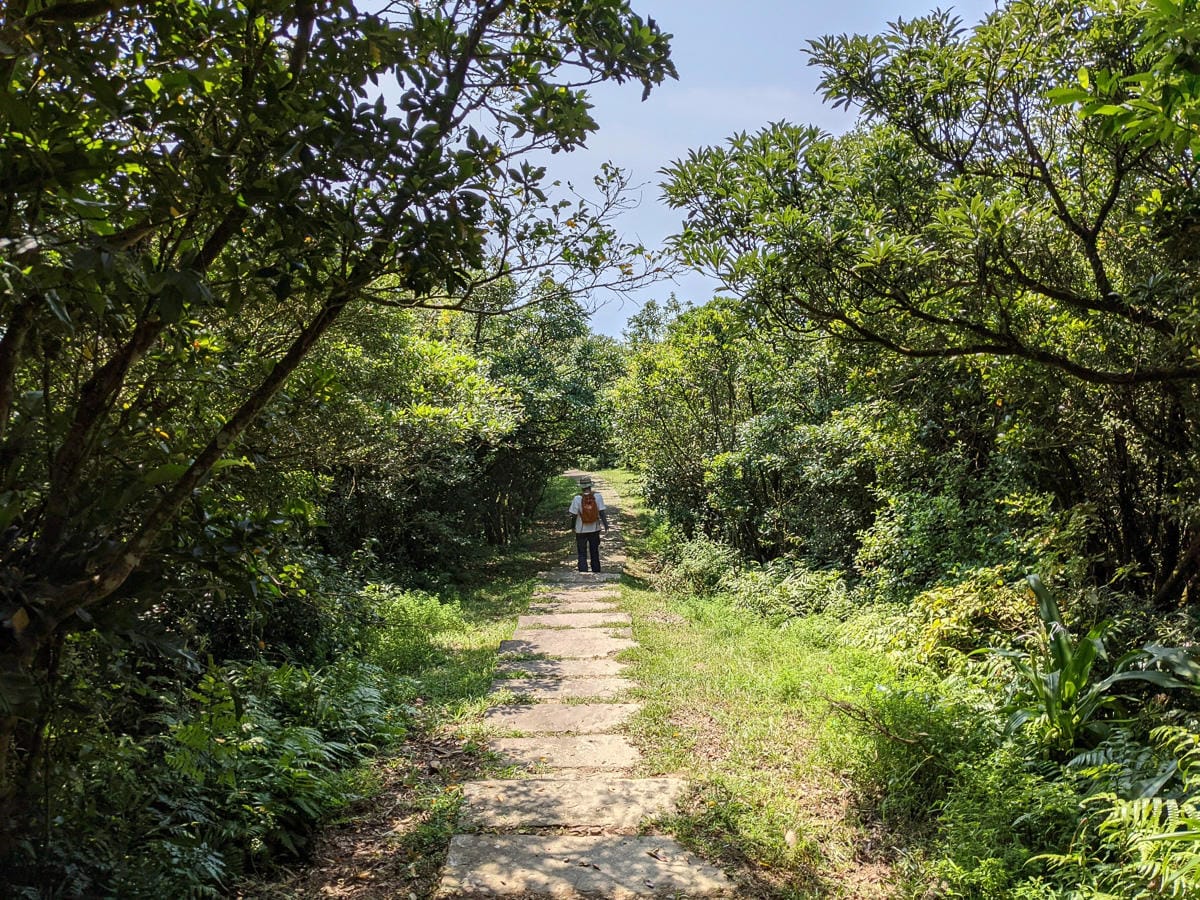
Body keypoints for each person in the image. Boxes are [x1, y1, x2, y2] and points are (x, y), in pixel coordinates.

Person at [568, 476, 609, 573]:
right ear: (590, 486)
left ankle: (583, 572)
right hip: (594, 529)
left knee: (582, 552)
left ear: (581, 487)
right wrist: (606, 526)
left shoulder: (577, 498)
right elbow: (602, 513)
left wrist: (572, 527)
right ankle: (596, 571)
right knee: (594, 551)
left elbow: (573, 515)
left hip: (580, 530)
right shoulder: (597, 496)